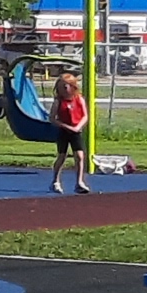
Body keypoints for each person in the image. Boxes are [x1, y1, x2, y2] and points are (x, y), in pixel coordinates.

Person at [47, 60, 94, 193]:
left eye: (67, 86)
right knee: (62, 156)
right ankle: (55, 180)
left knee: (79, 156)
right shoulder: (58, 101)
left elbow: (85, 115)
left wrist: (78, 126)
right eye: (62, 86)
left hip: (76, 130)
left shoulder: (79, 99)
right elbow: (52, 118)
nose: (65, 89)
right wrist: (64, 125)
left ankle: (79, 182)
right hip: (63, 131)